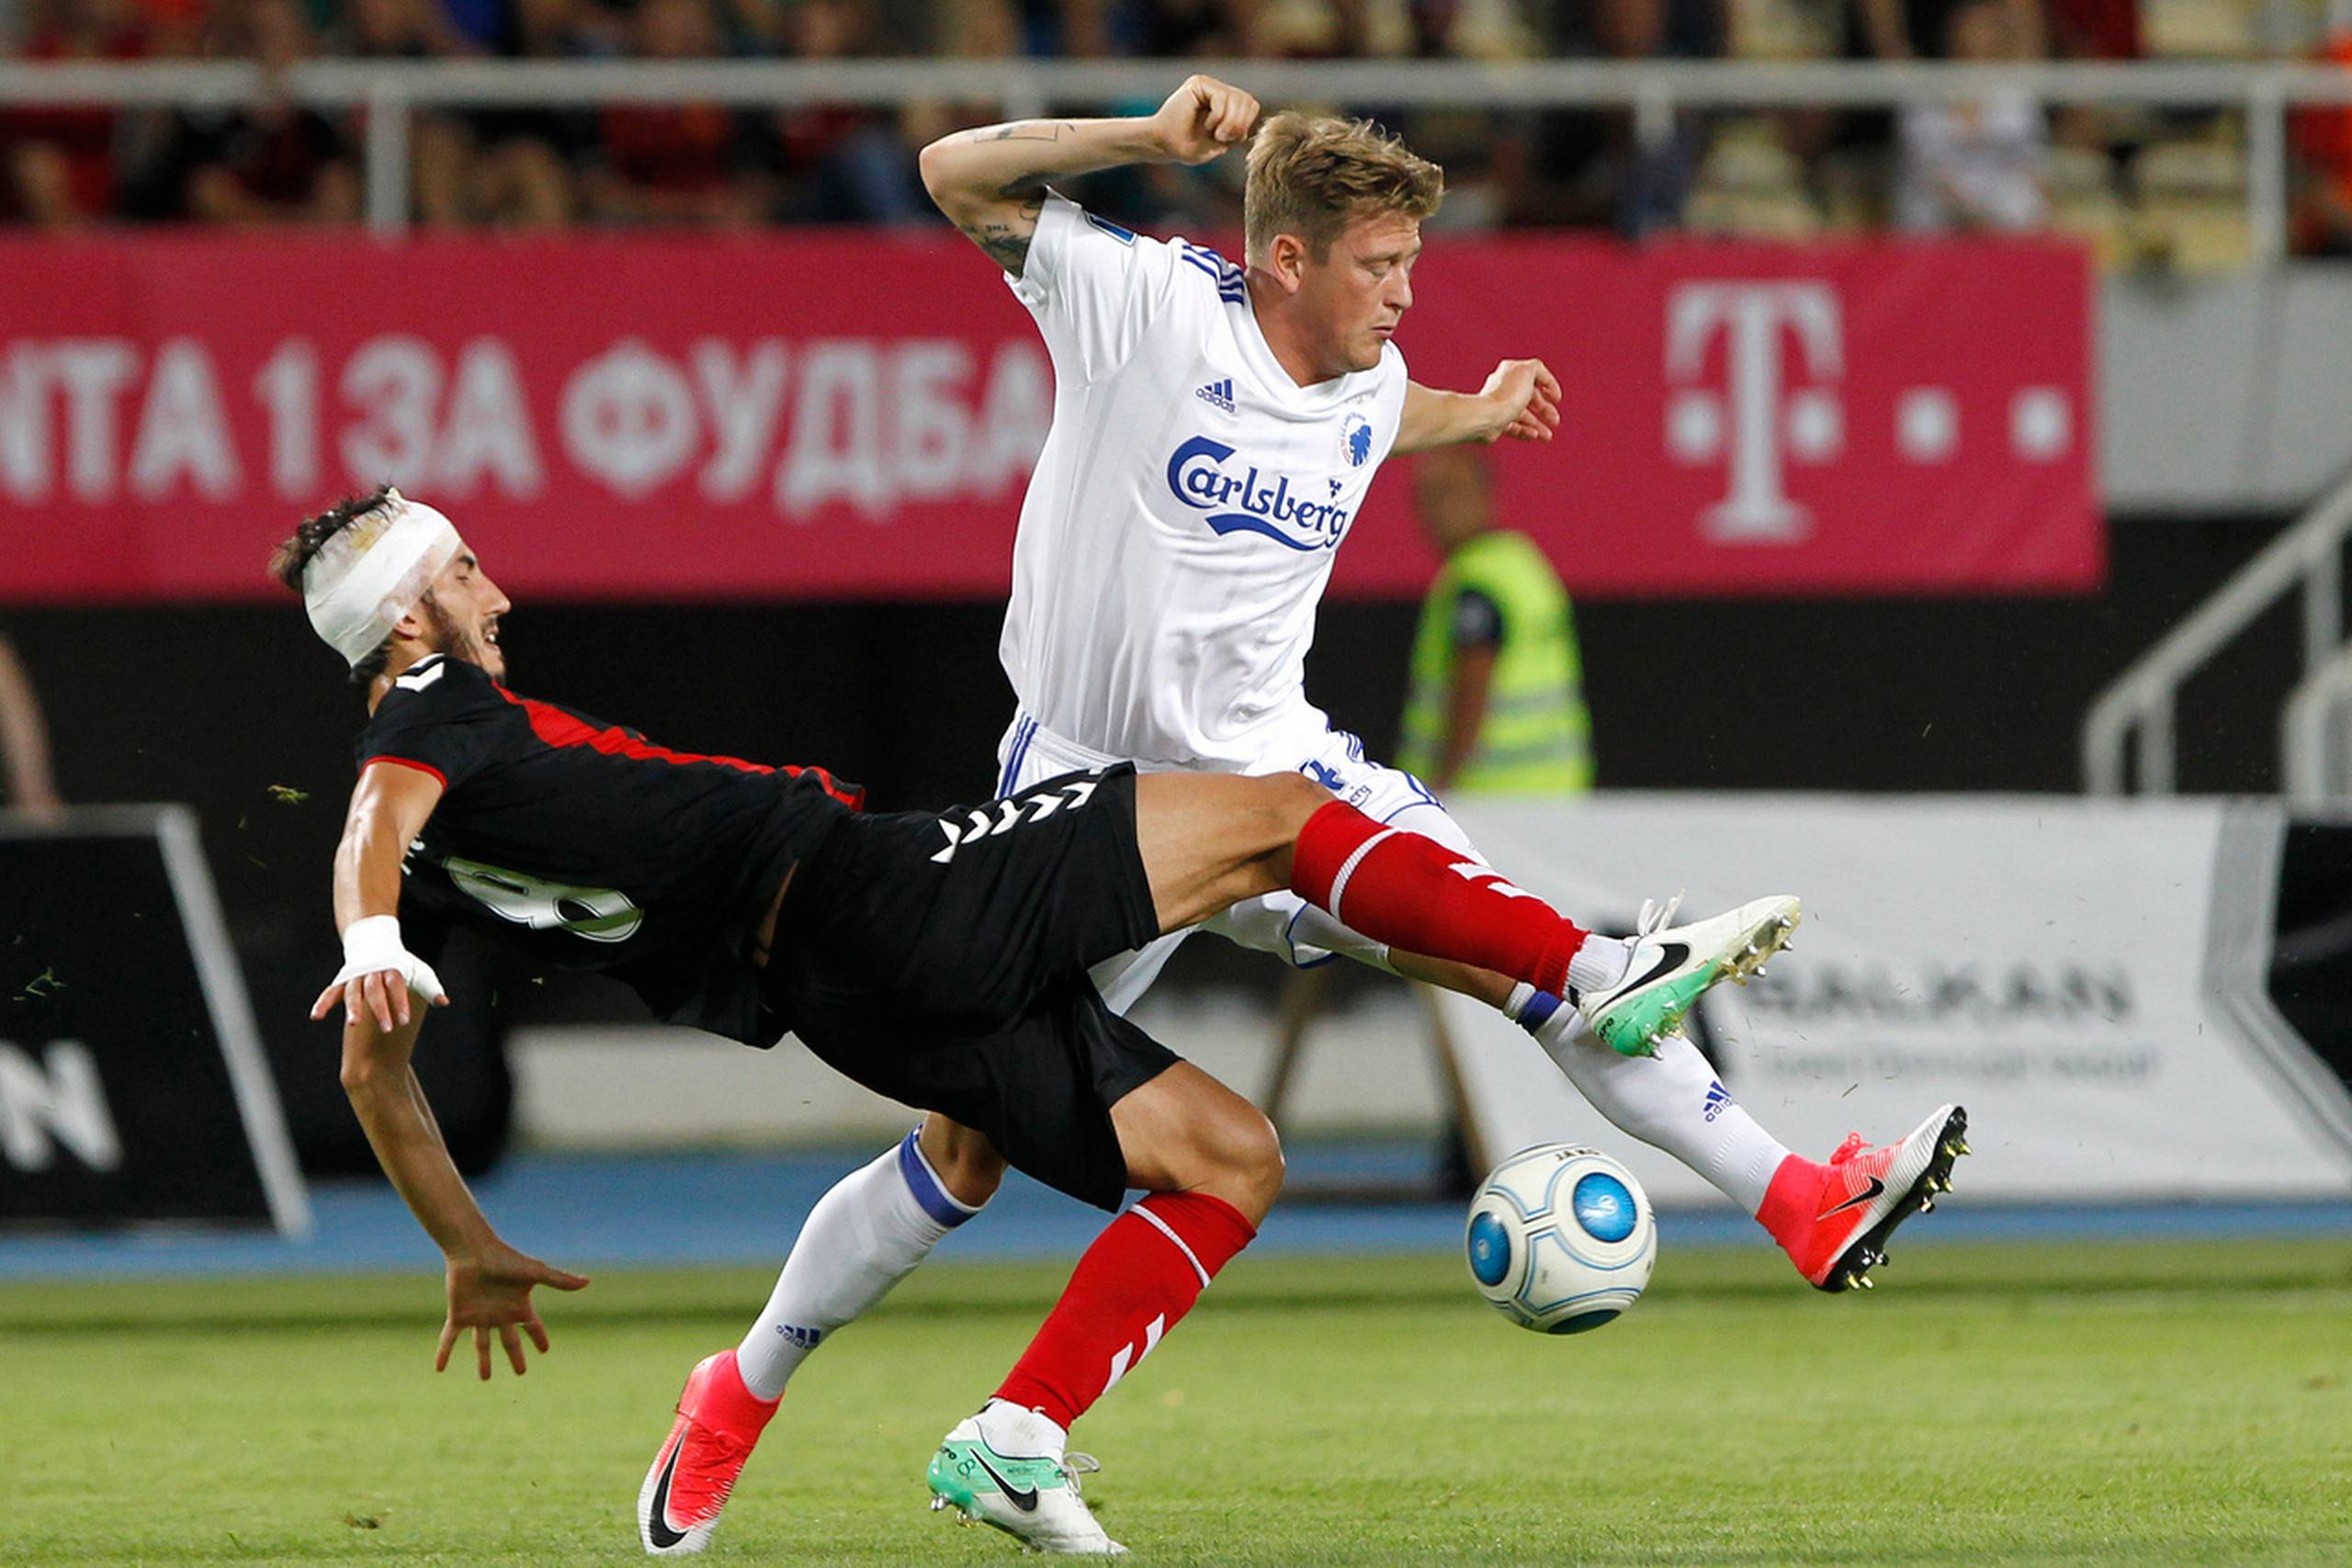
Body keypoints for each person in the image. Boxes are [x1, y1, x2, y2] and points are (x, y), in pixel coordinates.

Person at [660, 76, 1967, 1556]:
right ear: (1286, 257)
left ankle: (1796, 1194)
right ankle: (741, 1386)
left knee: (1543, 978)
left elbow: (1369, 410)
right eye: (1382, 266)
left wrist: (1476, 408)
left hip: (1289, 779)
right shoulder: (1147, 306)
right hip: (1094, 800)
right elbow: (954, 168)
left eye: (1414, 264)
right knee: (963, 1151)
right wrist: (1149, 142)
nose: (1407, 296)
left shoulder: (1362, 379)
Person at [277, 487, 1819, 1555]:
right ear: (411, 614)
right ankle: (1590, 967)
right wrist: (363, 922)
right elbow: (376, 820)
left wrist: (464, 1243)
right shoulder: (427, 723)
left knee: (1228, 1163)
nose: (500, 588)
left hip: (837, 994)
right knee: (1282, 813)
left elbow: (372, 1063)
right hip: (870, 896)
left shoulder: (441, 806)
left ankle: (965, 1424)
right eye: (468, 568)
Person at [1395, 446, 1591, 796]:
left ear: (1486, 494)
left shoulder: (1478, 582)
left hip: (1485, 798)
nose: (1438, 509)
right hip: (1554, 790)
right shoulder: (1523, 564)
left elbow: (1472, 689)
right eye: (1426, 496)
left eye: (1450, 492)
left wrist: (1439, 789)